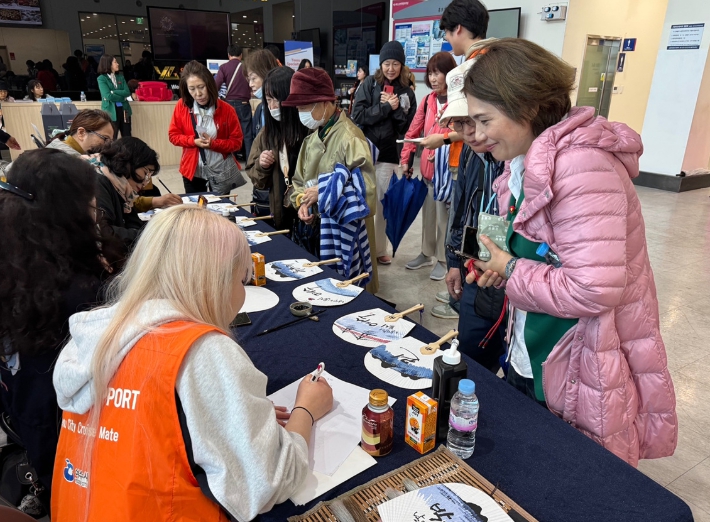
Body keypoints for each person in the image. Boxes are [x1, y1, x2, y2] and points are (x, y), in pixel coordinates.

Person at [465, 38, 677, 466]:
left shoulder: (582, 167)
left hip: (578, 363)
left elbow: (593, 288)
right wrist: (504, 269)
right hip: (538, 354)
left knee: (568, 472)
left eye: (484, 120)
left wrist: (512, 269)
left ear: (527, 108)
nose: (478, 135)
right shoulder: (525, 162)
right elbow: (545, 255)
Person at [51, 205, 334, 520]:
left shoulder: (95, 337)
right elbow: (269, 482)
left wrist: (236, 413)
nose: (242, 294)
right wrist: (306, 410)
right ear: (215, 282)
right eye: (241, 281)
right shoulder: (203, 352)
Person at [0, 149, 110, 515]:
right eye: (90, 206)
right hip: (63, 421)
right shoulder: (76, 289)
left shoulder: (18, 255)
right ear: (67, 213)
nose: (95, 213)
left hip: (21, 400)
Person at [282, 67, 379, 293]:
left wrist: (325, 191)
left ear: (325, 103)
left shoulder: (350, 136)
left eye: (305, 107)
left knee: (350, 289)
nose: (301, 113)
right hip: (318, 230)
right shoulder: (311, 139)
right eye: (299, 108)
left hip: (346, 231)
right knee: (324, 288)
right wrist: (302, 202)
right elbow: (298, 182)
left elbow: (367, 193)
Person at [352, 41, 417, 265]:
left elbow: (406, 128)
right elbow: (358, 116)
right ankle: (361, 246)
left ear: (402, 66)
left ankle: (379, 249)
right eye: (387, 63)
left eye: (395, 64)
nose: (391, 68)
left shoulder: (406, 91)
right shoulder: (369, 84)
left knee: (382, 203)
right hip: (364, 151)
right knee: (362, 199)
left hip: (389, 154)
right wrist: (385, 107)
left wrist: (396, 108)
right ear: (381, 64)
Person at [46, 109, 180, 211]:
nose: (107, 146)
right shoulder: (65, 164)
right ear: (81, 133)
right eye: (105, 139)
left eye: (110, 141)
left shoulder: (74, 157)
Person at [400, 52, 457, 284]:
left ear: (449, 74)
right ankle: (426, 253)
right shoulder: (427, 100)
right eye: (430, 73)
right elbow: (413, 130)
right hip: (427, 170)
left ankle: (443, 260)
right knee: (429, 215)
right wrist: (406, 158)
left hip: (447, 172)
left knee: (445, 218)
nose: (433, 78)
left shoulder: (458, 101)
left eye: (438, 73)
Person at [246, 67, 307, 231]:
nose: (272, 106)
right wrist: (262, 165)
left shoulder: (308, 130)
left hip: (307, 213)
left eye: (277, 99)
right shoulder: (266, 134)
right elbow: (255, 177)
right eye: (268, 100)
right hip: (280, 212)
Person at [168, 60, 243, 194]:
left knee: (220, 206)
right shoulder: (182, 106)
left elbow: (237, 143)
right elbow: (173, 136)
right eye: (192, 89)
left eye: (201, 87)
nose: (198, 94)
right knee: (196, 206)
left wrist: (214, 144)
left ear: (209, 84)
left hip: (221, 171)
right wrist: (193, 141)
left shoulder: (227, 110)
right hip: (193, 170)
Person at [88, 136, 159, 250]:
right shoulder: (98, 182)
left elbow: (132, 221)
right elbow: (104, 232)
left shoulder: (121, 186)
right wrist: (151, 237)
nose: (146, 182)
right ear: (129, 162)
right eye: (145, 173)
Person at [215, 44, 254, 160]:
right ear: (241, 55)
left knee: (230, 133)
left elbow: (216, 85)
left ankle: (233, 159)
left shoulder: (223, 67)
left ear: (228, 55)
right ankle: (249, 161)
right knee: (247, 133)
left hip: (229, 105)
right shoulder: (246, 67)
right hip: (244, 104)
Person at [243, 49, 279, 140]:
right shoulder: (260, 109)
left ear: (266, 74)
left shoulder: (281, 106)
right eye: (249, 80)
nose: (250, 84)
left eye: (253, 78)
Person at [97, 54, 132, 139]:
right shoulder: (101, 78)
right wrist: (123, 98)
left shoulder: (120, 77)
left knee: (127, 135)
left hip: (124, 110)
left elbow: (127, 92)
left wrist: (114, 92)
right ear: (108, 64)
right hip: (110, 111)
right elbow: (108, 95)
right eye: (115, 62)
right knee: (112, 137)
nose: (118, 64)